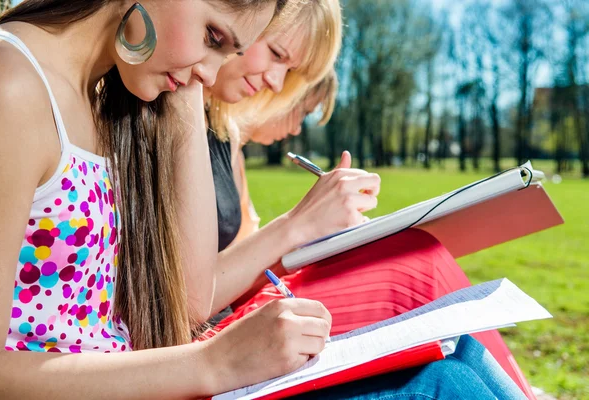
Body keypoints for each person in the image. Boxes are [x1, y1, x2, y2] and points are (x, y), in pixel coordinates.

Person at [0, 1, 529, 399]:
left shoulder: (106, 91)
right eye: (213, 35)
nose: (210, 71)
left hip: (152, 375)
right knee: (441, 386)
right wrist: (212, 364)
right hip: (159, 378)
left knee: (457, 366)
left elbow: (187, 294)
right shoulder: (12, 85)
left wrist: (184, 89)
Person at [199, 2, 536, 396]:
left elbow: (235, 269)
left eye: (289, 72)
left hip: (234, 323)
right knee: (418, 265)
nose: (277, 85)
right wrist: (300, 226)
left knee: (449, 335)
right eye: (277, 55)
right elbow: (192, 293)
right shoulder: (185, 121)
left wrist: (319, 238)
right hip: (221, 341)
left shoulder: (214, 132)